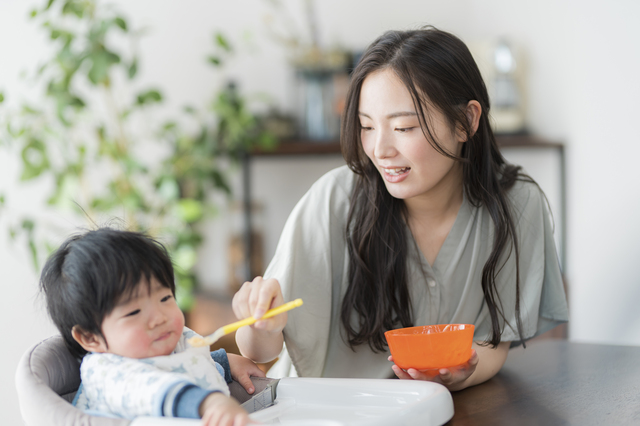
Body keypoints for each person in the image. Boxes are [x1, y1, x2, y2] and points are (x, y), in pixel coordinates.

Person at [232, 26, 569, 391]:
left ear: (466, 121)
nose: (380, 149)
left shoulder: (516, 205)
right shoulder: (332, 201)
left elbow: (493, 341)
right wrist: (256, 326)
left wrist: (456, 373)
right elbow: (262, 351)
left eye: (404, 127)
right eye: (366, 126)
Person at [39, 228, 265, 426]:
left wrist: (223, 363)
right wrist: (210, 403)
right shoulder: (106, 373)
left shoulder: (168, 340)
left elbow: (187, 362)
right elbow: (155, 389)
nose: (159, 317)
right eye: (134, 312)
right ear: (90, 337)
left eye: (165, 298)